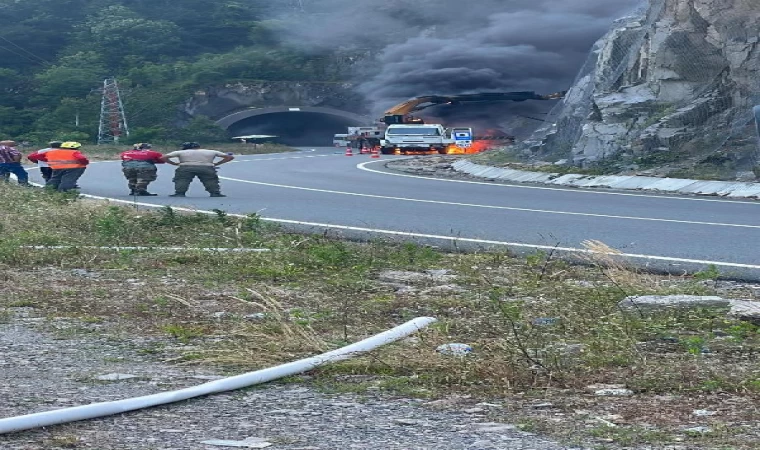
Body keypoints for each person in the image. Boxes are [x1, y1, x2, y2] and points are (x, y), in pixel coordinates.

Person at [161, 142, 233, 197]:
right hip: (206, 167)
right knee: (210, 180)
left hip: (186, 167)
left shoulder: (181, 152)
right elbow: (229, 157)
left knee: (182, 179)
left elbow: (163, 158)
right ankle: (215, 193)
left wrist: (173, 163)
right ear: (199, 146)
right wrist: (216, 163)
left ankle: (180, 193)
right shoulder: (211, 151)